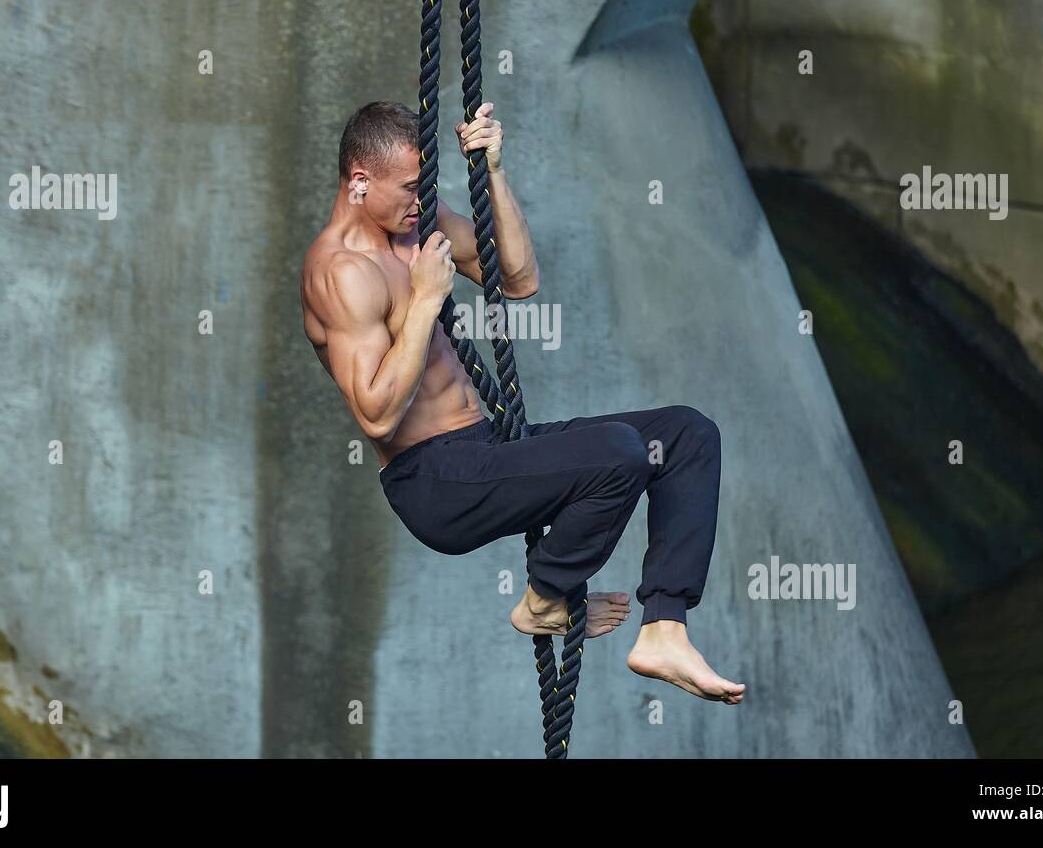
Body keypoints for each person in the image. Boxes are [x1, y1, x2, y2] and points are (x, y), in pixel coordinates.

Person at [300, 100, 744, 703]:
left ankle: (664, 626)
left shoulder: (414, 223)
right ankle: (543, 601)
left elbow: (518, 278)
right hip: (435, 480)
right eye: (408, 187)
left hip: (487, 447)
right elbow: (376, 412)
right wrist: (428, 301)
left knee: (686, 435)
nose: (418, 200)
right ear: (358, 181)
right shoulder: (341, 271)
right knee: (620, 453)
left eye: (425, 184)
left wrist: (493, 173)